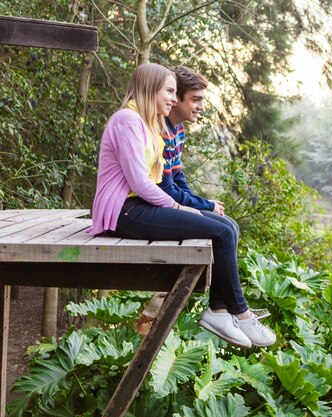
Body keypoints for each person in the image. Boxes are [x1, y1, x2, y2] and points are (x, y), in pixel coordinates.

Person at [88, 63, 275, 348]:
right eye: (170, 91)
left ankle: (220, 310)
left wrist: (194, 207)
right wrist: (179, 208)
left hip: (140, 206)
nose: (174, 99)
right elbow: (140, 183)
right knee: (221, 232)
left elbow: (170, 178)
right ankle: (241, 312)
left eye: (176, 93)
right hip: (125, 212)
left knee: (227, 226)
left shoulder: (147, 124)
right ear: (151, 88)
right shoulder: (127, 120)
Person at [158, 65, 239, 248]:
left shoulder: (178, 129)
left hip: (171, 203)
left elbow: (178, 177)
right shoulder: (161, 132)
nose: (201, 107)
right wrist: (205, 205)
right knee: (224, 230)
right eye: (196, 100)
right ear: (176, 99)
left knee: (231, 225)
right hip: (158, 207)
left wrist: (198, 204)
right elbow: (167, 189)